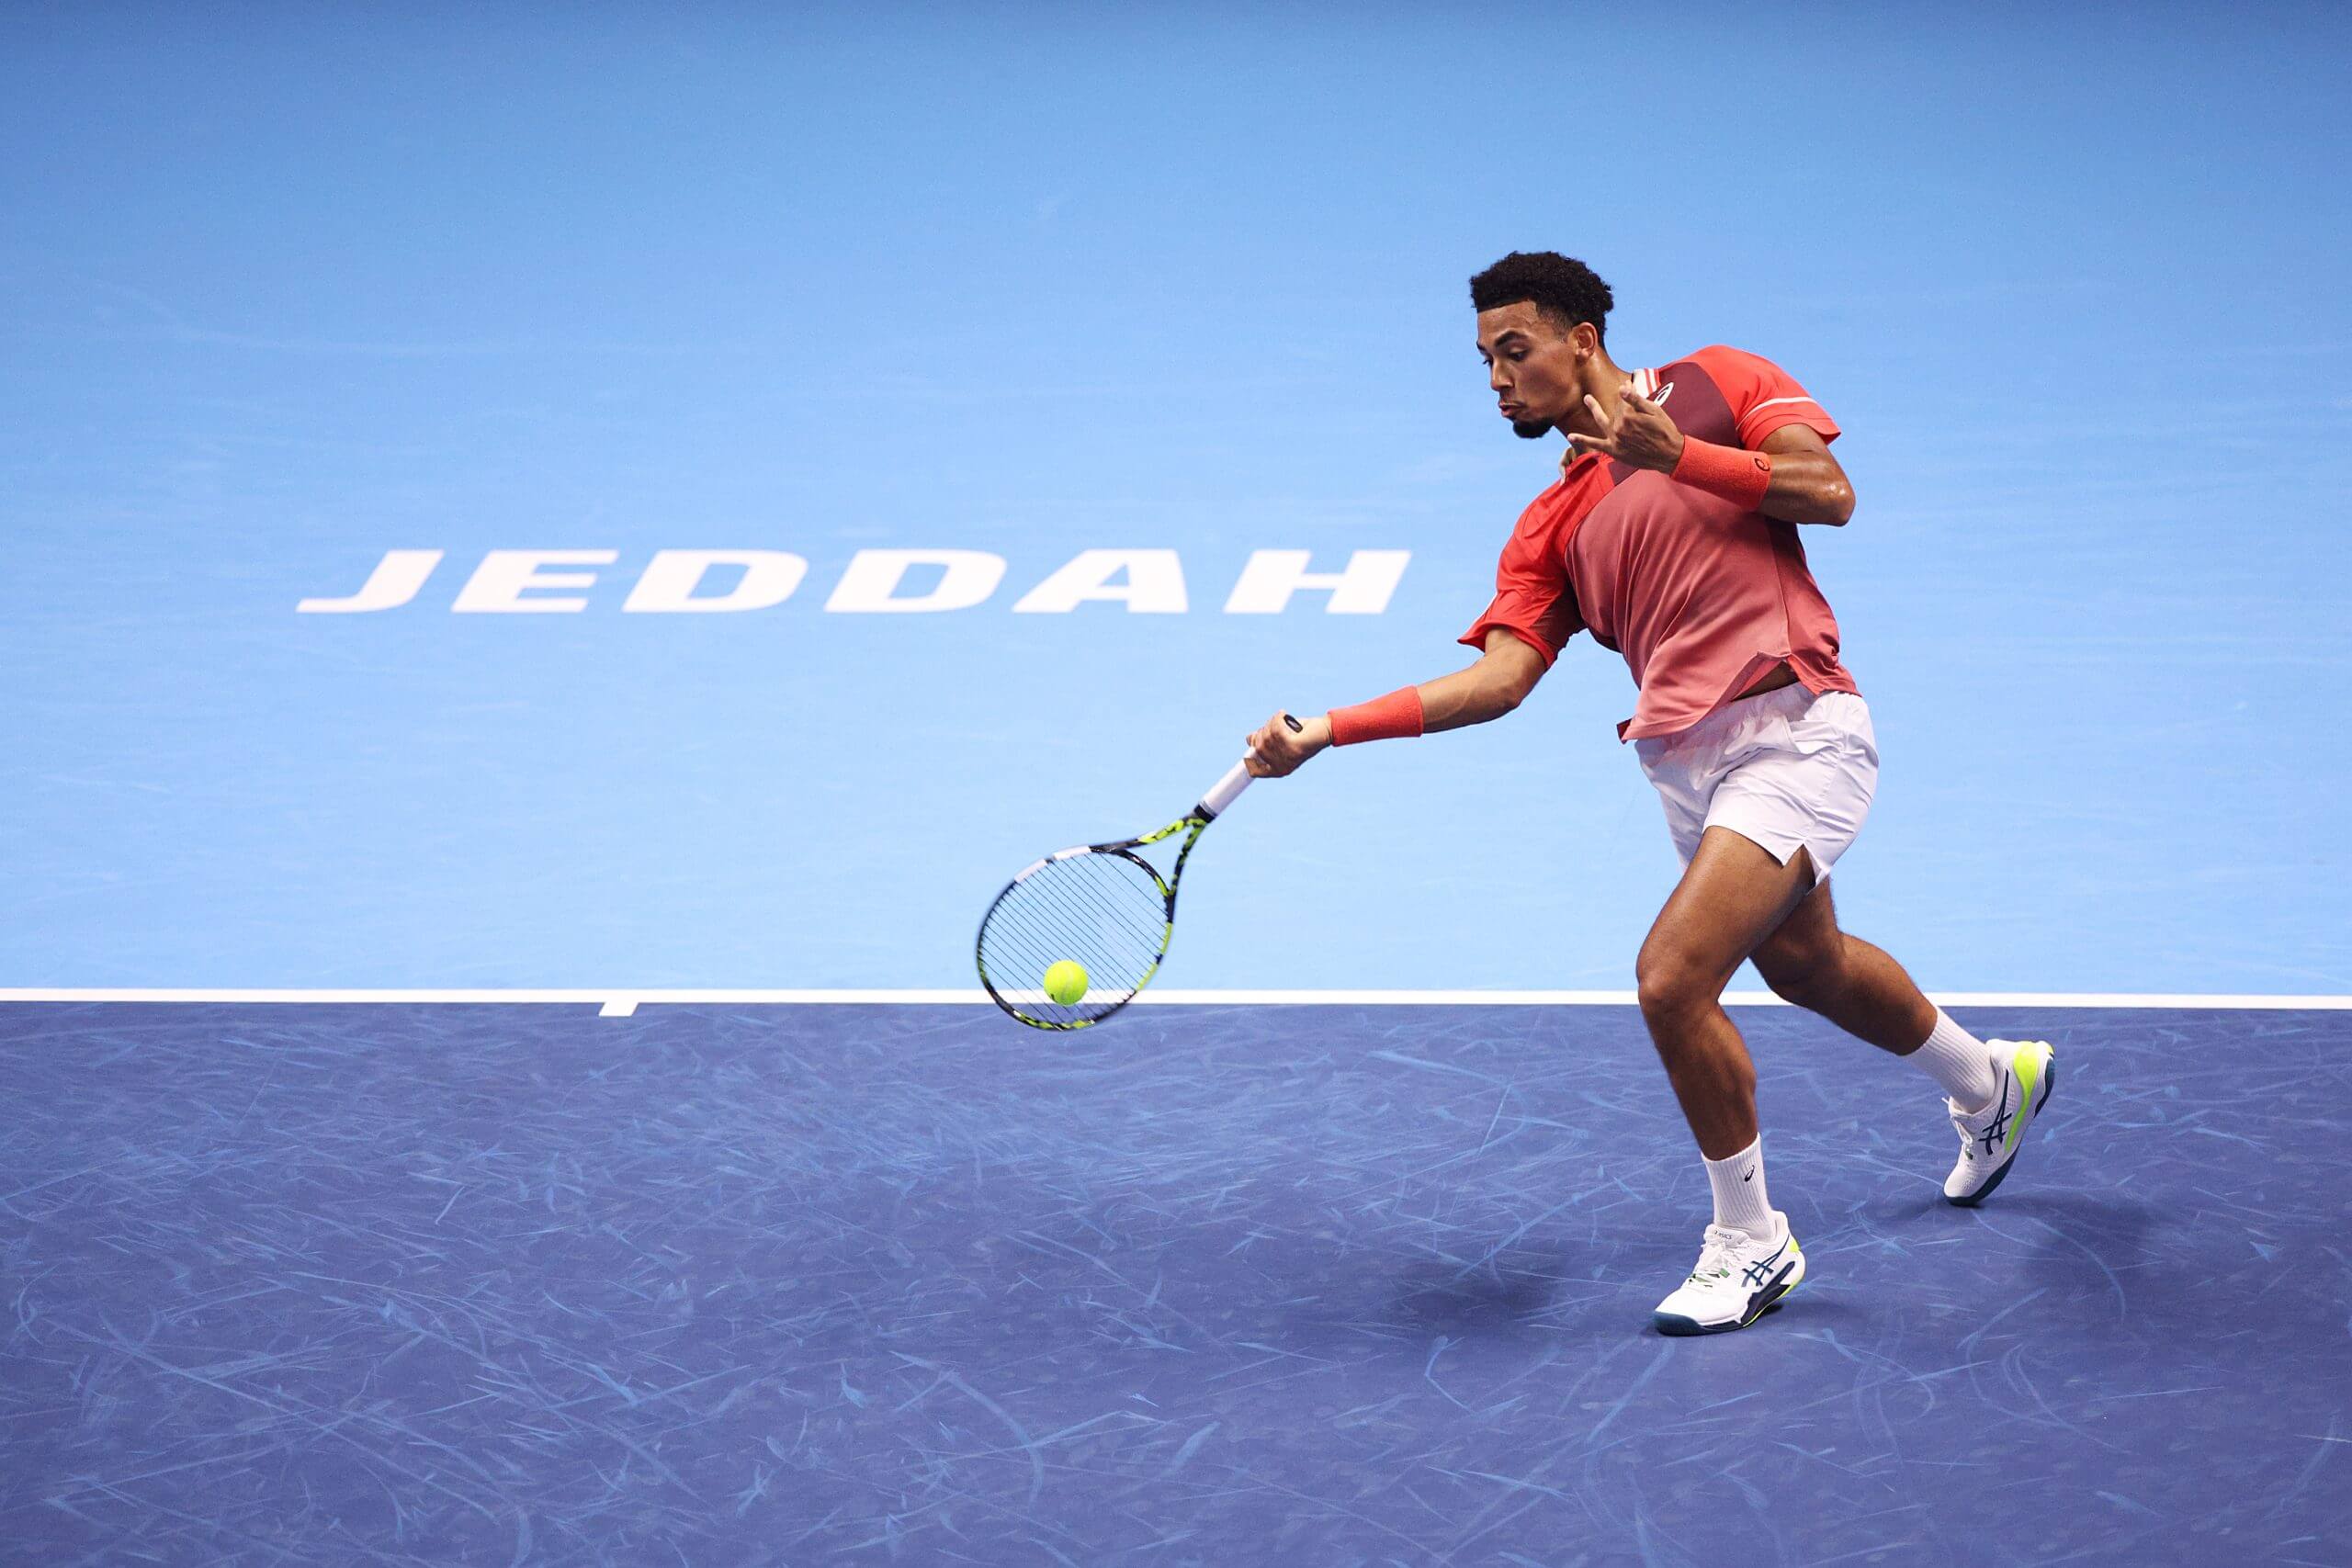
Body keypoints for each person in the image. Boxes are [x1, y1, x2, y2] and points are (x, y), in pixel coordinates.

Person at [1242, 251, 2055, 1336]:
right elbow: (1500, 680)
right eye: (1485, 361)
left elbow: (1830, 495)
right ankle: (1989, 1082)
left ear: (1581, 339)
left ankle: (1751, 1243)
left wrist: (1682, 456)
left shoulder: (1713, 382)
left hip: (1794, 728)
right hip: (1684, 764)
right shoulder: (1550, 522)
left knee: (1671, 981)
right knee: (1806, 966)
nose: (1498, 378)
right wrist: (1332, 728)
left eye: (1514, 350)